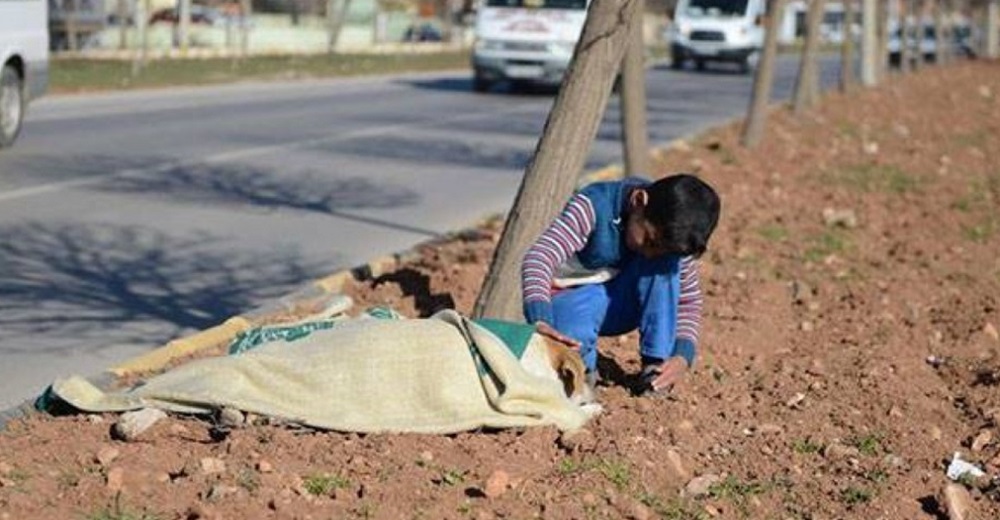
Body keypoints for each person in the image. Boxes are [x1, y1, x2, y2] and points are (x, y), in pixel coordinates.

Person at [521, 173, 721, 396]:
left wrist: (682, 355)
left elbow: (687, 301)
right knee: (572, 342)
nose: (650, 253)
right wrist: (540, 319)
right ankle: (584, 373)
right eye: (649, 240)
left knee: (664, 265)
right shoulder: (593, 206)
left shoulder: (674, 236)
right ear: (638, 201)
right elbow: (539, 257)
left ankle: (656, 369)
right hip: (571, 302)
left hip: (623, 301)